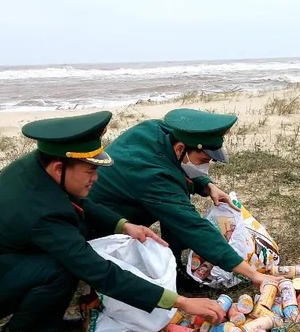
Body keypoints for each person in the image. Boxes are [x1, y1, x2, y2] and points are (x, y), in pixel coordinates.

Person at [0, 111, 225, 332]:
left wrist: (124, 225)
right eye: (90, 171)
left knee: (56, 263)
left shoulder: (38, 168)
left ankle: (43, 317)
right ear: (60, 167)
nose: (96, 179)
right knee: (60, 267)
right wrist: (182, 302)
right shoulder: (43, 214)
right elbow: (101, 272)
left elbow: (79, 201)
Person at [88, 108, 279, 286]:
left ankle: (175, 260)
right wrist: (254, 274)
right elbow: (194, 227)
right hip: (96, 220)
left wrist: (208, 185)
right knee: (177, 215)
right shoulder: (152, 176)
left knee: (174, 205)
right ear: (180, 149)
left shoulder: (158, 130)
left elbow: (175, 165)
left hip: (119, 196)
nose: (206, 167)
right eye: (204, 161)